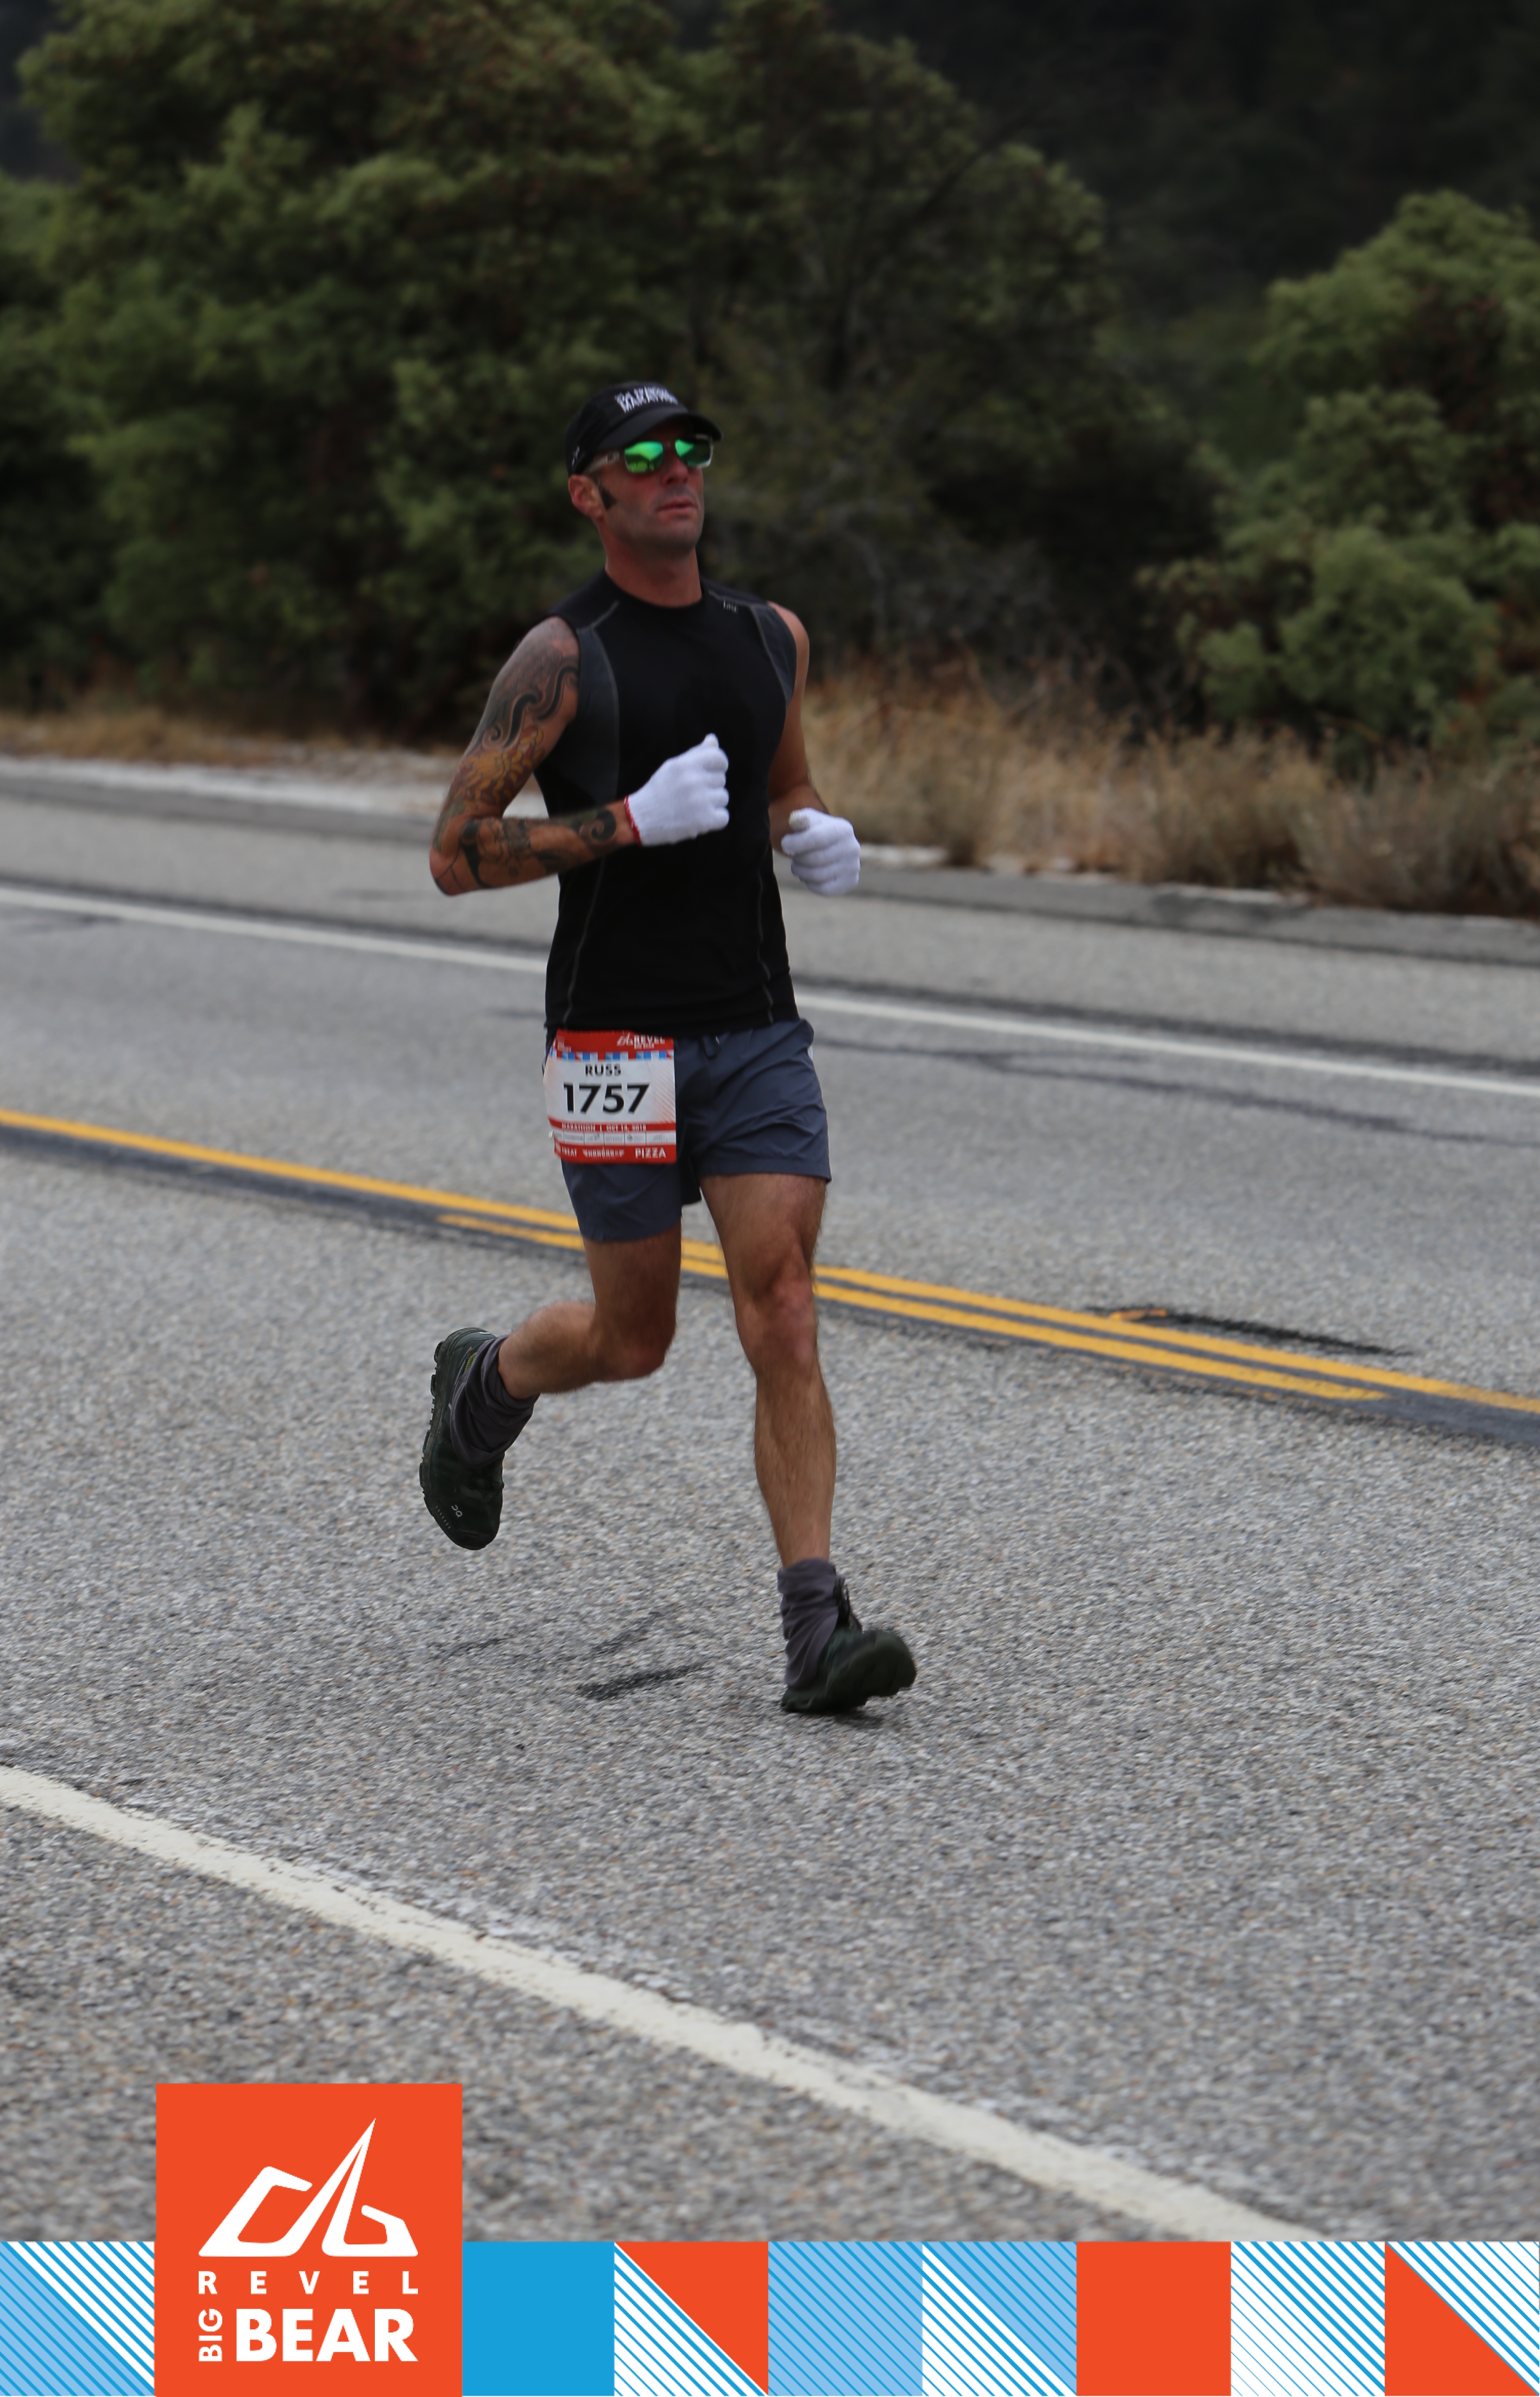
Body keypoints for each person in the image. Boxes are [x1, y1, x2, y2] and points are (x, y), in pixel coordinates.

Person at [419, 379, 916, 1717]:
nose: (676, 469)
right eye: (642, 455)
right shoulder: (561, 659)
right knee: (634, 1338)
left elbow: (784, 784)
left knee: (784, 1304)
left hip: (754, 1026)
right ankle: (486, 1383)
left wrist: (813, 830)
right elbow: (456, 853)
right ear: (590, 493)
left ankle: (816, 1631)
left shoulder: (769, 637)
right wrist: (625, 821)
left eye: (691, 446)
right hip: (612, 1038)